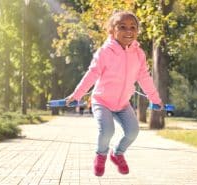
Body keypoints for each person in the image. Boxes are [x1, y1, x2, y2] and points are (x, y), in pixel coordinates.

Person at [66, 11, 164, 176]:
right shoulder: (104, 52)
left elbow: (144, 78)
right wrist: (76, 95)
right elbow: (91, 75)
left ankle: (117, 153)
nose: (128, 31)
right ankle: (101, 155)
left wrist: (155, 99)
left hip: (123, 104)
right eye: (122, 27)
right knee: (107, 131)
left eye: (133, 27)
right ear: (112, 30)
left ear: (137, 31)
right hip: (102, 101)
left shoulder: (139, 54)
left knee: (133, 131)